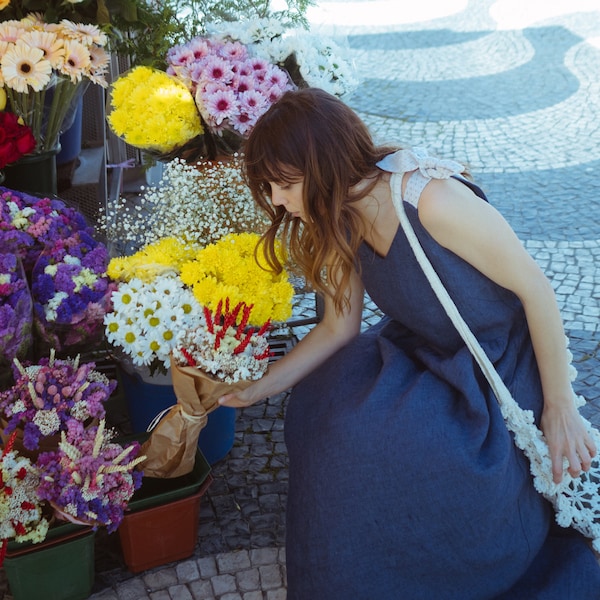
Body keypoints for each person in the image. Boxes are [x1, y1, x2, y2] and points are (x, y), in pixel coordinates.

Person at [218, 87, 600, 598]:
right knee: (319, 409)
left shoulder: (432, 201)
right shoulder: (338, 217)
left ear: (325, 165)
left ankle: (436, 564)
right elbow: (338, 327)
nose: (277, 202)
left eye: (284, 185)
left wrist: (559, 409)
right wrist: (259, 389)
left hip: (494, 362)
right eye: (269, 188)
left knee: (401, 451)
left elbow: (536, 289)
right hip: (421, 347)